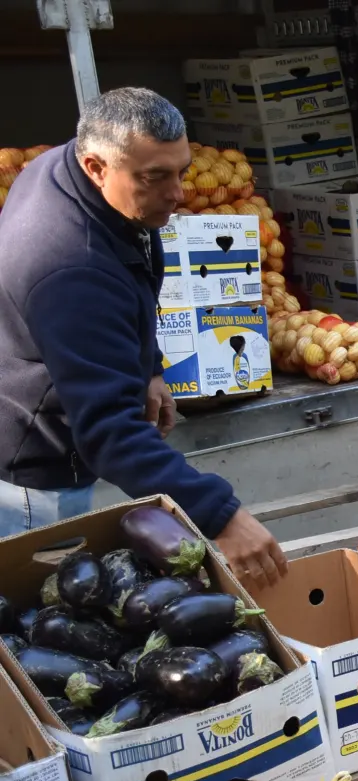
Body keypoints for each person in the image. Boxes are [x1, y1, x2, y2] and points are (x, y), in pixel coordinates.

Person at [0, 88, 287, 584]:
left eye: (181, 170)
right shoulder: (71, 266)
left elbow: (132, 271)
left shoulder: (74, 176)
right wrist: (220, 516)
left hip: (44, 378)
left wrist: (148, 365)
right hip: (30, 468)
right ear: (95, 166)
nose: (177, 194)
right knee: (37, 616)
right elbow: (107, 432)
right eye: (155, 178)